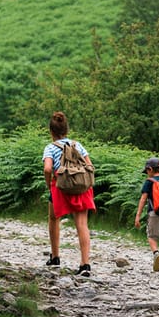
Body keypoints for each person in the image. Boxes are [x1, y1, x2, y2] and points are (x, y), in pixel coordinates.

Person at [42, 111, 96, 277]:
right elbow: (90, 165)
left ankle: (55, 256)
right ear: (66, 130)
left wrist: (48, 183)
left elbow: (47, 168)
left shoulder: (50, 148)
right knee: (82, 224)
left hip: (61, 187)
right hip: (81, 187)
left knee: (53, 218)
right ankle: (85, 264)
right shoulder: (77, 145)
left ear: (51, 131)